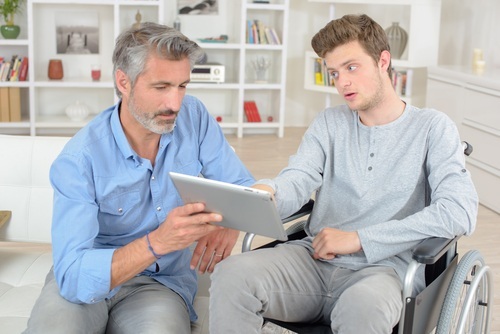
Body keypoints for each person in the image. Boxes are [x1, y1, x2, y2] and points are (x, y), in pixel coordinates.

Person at [209, 14, 478, 333]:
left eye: (351, 67)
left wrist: (360, 239)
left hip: (384, 270)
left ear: (383, 61)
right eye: (334, 72)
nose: (342, 83)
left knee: (364, 308)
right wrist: (266, 192)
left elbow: (459, 211)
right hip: (312, 260)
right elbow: (297, 178)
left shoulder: (433, 127)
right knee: (231, 275)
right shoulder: (328, 123)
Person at [25, 22, 254, 334]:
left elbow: (242, 187)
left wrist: (231, 221)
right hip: (88, 278)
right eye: (161, 87)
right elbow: (73, 275)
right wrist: (160, 241)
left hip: (159, 285)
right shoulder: (79, 160)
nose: (175, 104)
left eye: (182, 86)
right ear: (124, 81)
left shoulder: (194, 116)